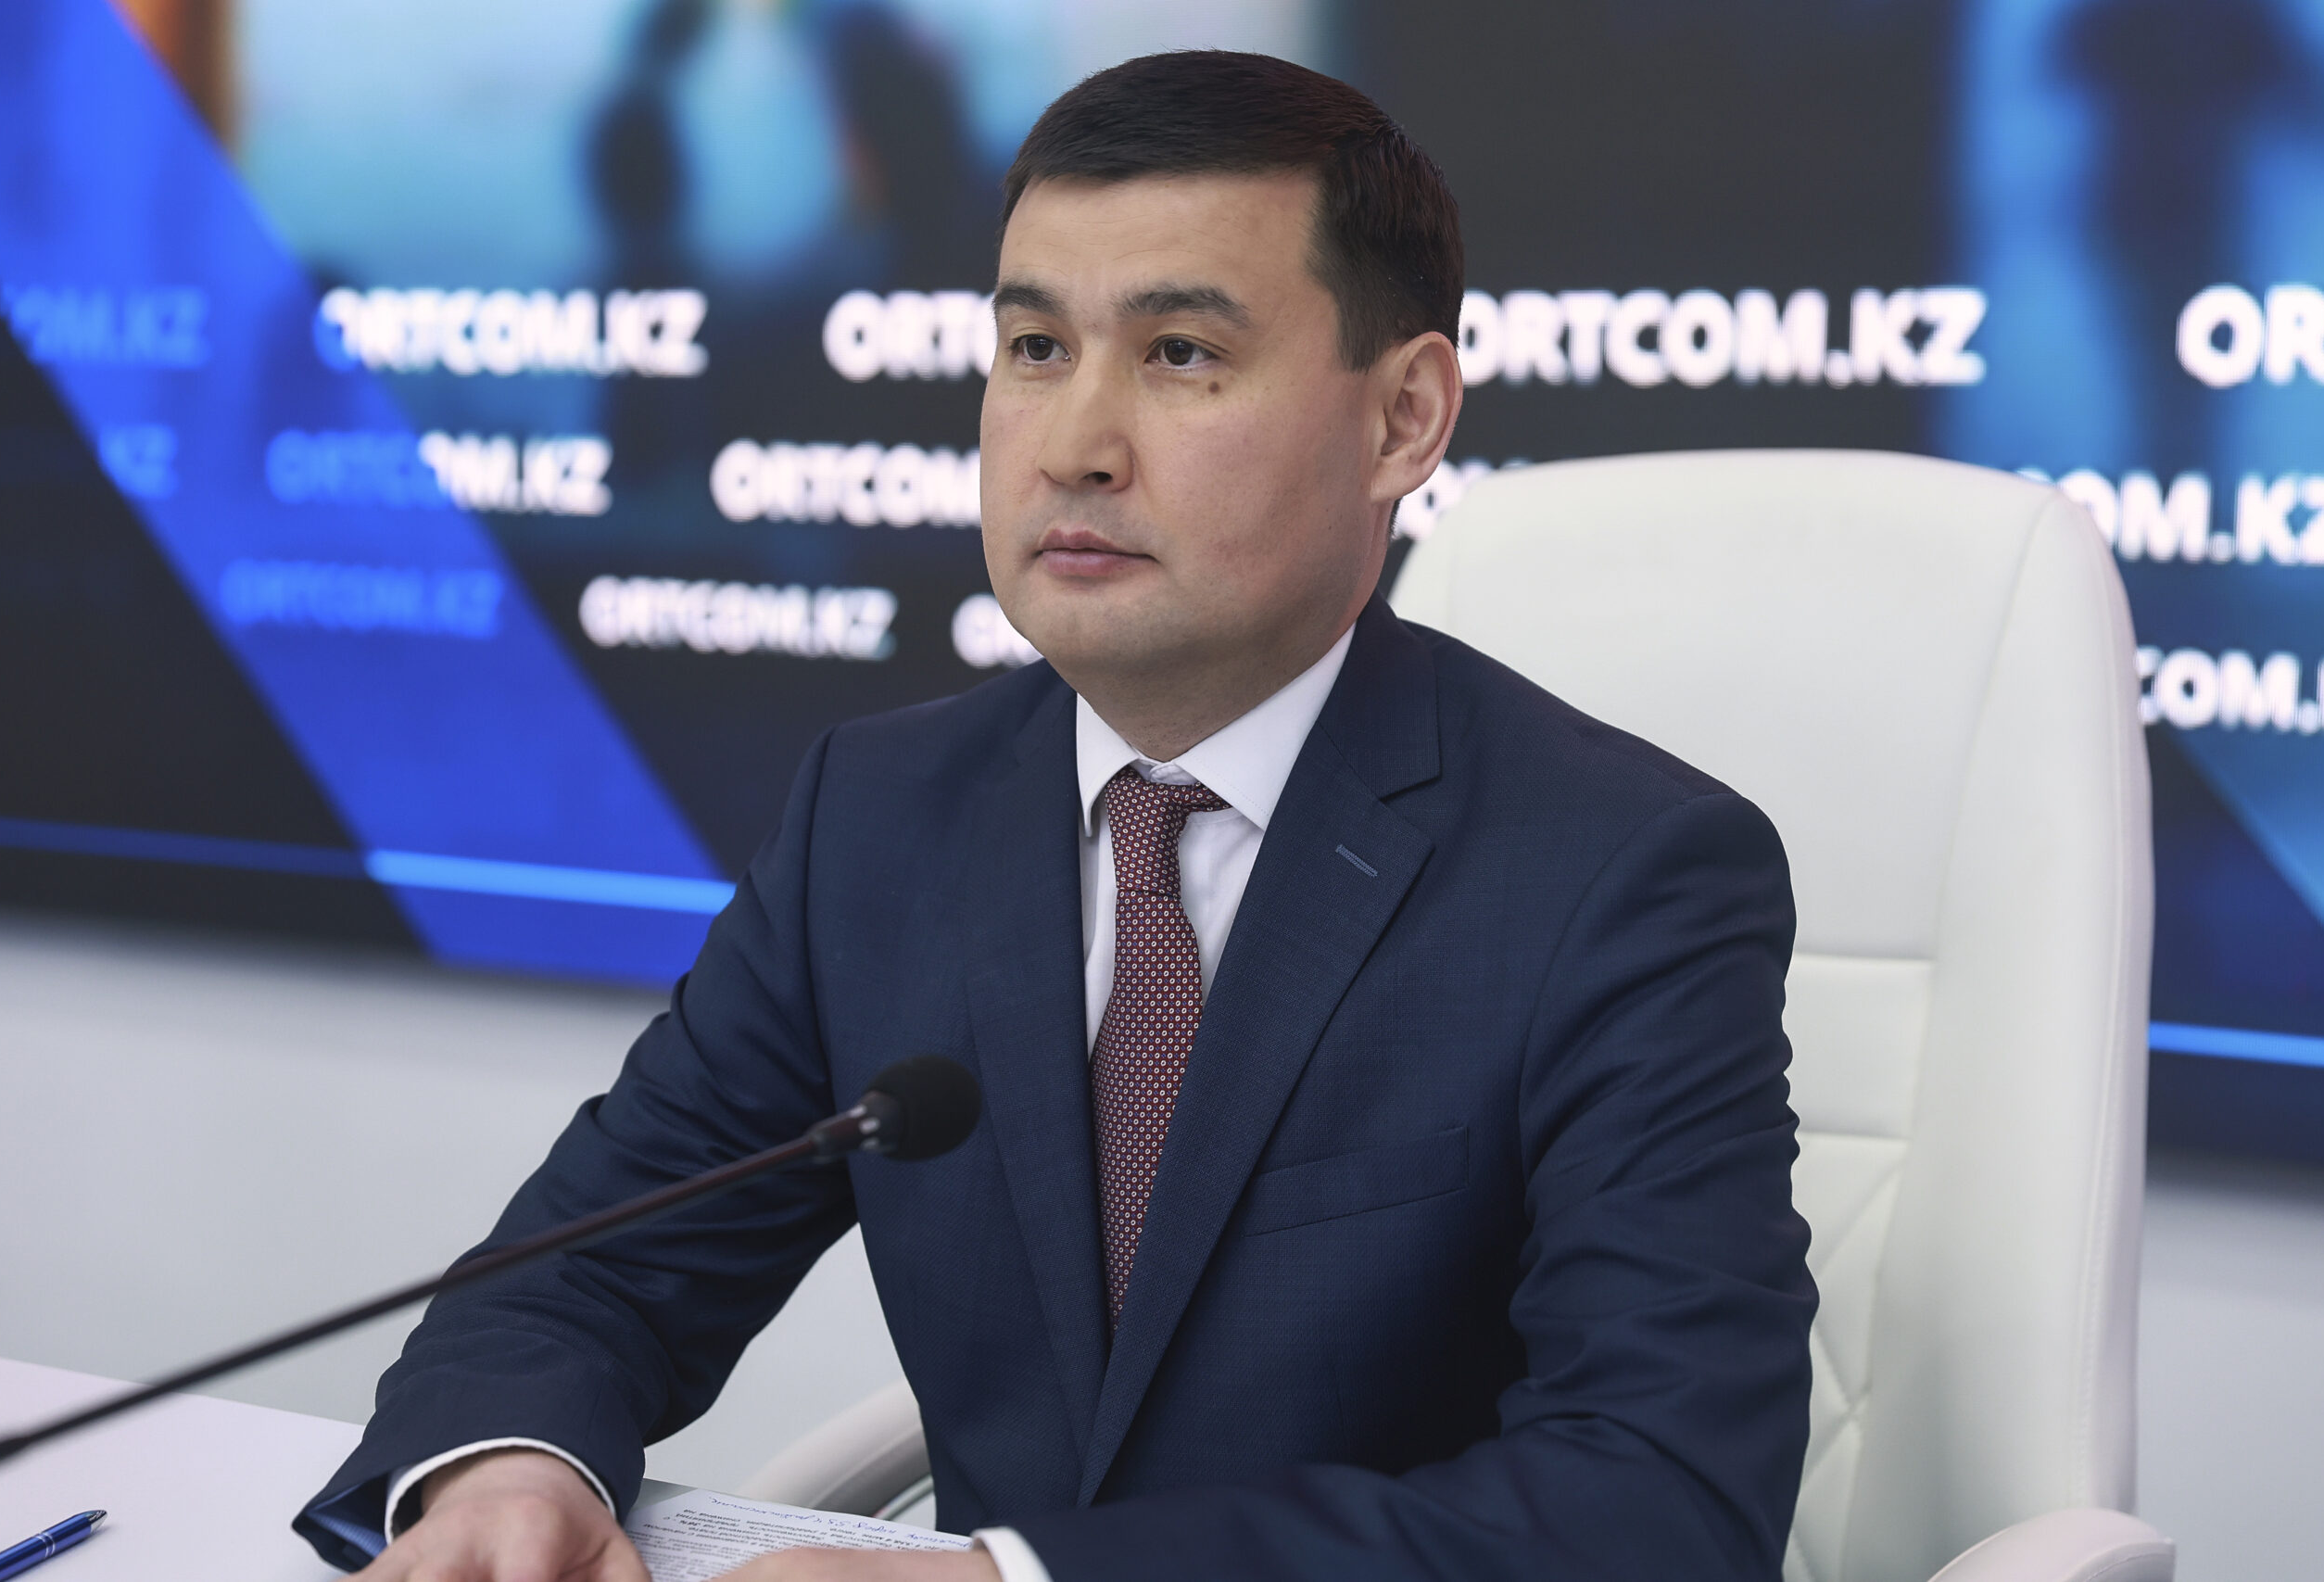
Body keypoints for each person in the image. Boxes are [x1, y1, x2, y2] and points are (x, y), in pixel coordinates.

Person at [297, 50, 1816, 1582]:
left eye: (1180, 354)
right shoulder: (879, 815)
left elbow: (1661, 1502)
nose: (1076, 442)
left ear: (1402, 420)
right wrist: (507, 1465)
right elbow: (584, 1272)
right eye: (1034, 347)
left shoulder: (1622, 875)